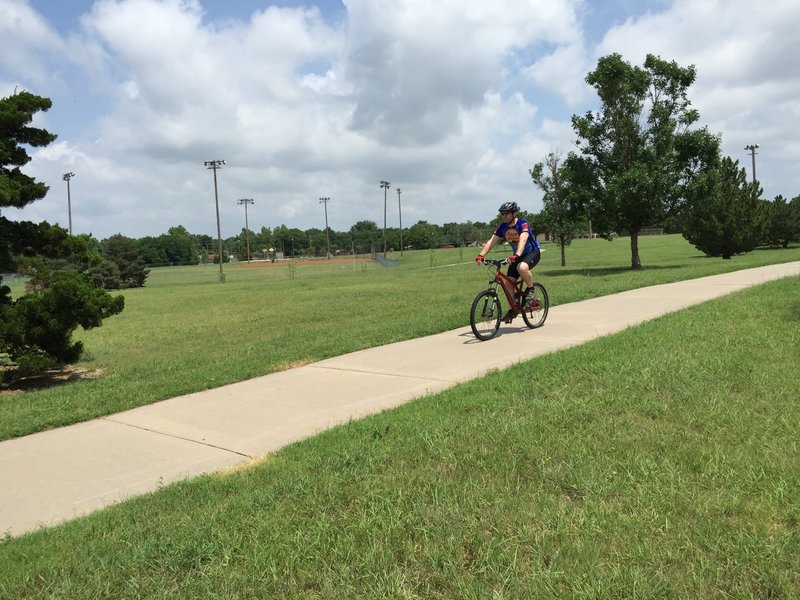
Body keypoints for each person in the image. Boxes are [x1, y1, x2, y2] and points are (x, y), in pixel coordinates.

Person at [475, 201, 541, 322]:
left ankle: (531, 289)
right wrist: (481, 255)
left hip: (532, 252)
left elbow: (523, 239)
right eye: (502, 214)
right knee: (507, 283)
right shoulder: (502, 227)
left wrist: (516, 254)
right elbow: (491, 241)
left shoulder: (523, 224)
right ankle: (513, 310)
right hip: (517, 255)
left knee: (521, 268)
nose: (504, 216)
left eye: (506, 213)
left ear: (513, 213)